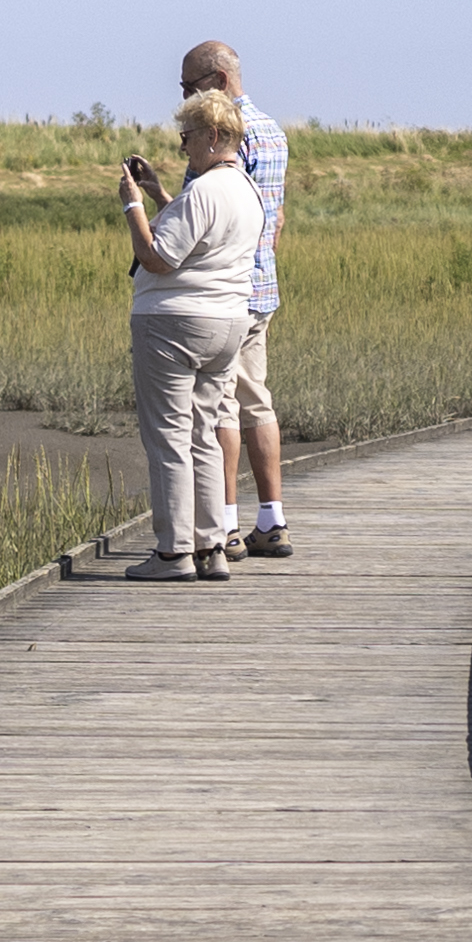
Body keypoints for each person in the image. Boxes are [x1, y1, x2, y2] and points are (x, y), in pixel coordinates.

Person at [114, 92, 264, 580]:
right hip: (227, 324)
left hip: (174, 322)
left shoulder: (202, 191)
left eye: (188, 138)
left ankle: (172, 553)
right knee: (204, 434)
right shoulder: (245, 190)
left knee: (168, 436)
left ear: (214, 136)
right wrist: (160, 195)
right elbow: (201, 234)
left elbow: (159, 257)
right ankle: (211, 546)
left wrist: (132, 206)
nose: (183, 149)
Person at [182, 36, 291, 556]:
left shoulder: (221, 135)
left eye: (190, 87)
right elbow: (276, 218)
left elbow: (197, 220)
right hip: (264, 285)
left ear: (219, 83)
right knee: (258, 402)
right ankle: (272, 519)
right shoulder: (274, 133)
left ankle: (224, 526)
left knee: (221, 408)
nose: (184, 99)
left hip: (225, 292)